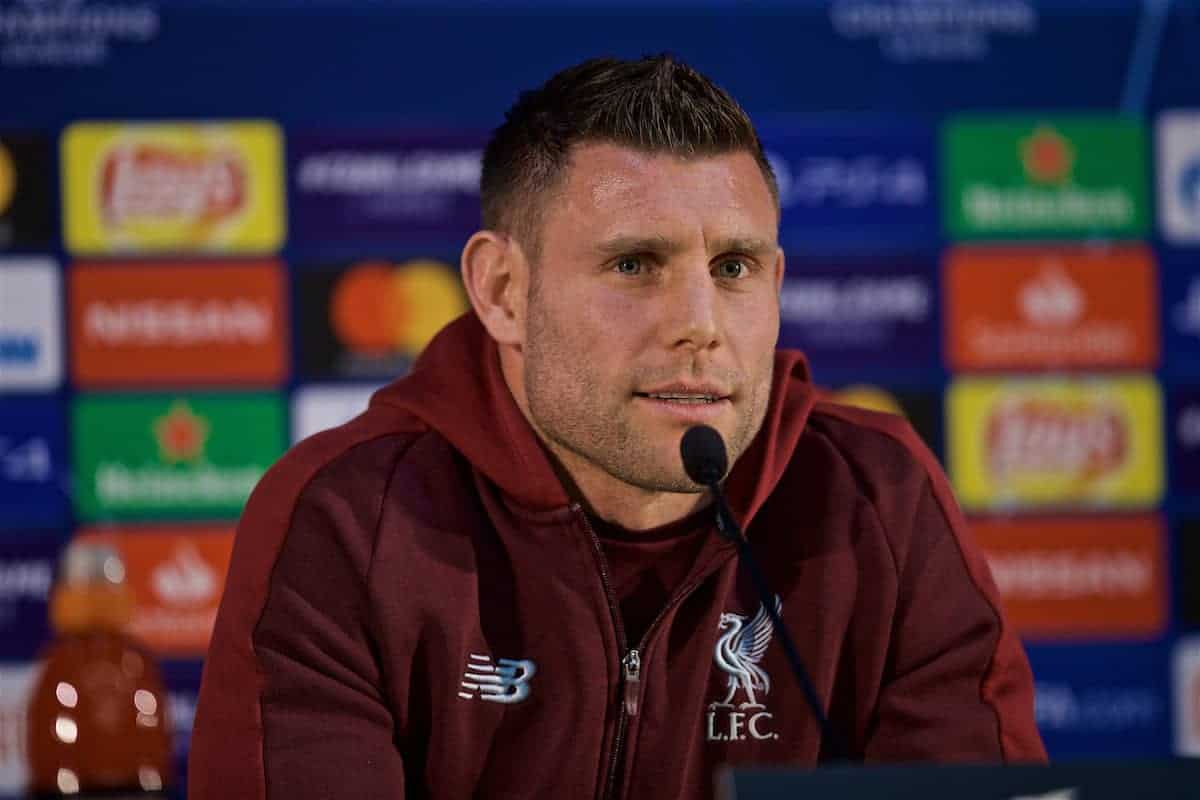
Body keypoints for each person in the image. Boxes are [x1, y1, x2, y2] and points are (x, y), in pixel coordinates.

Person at [189, 55, 1046, 799]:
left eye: (734, 267)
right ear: (501, 292)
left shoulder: (880, 499)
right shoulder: (345, 521)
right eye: (635, 264)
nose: (700, 324)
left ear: (778, 285)